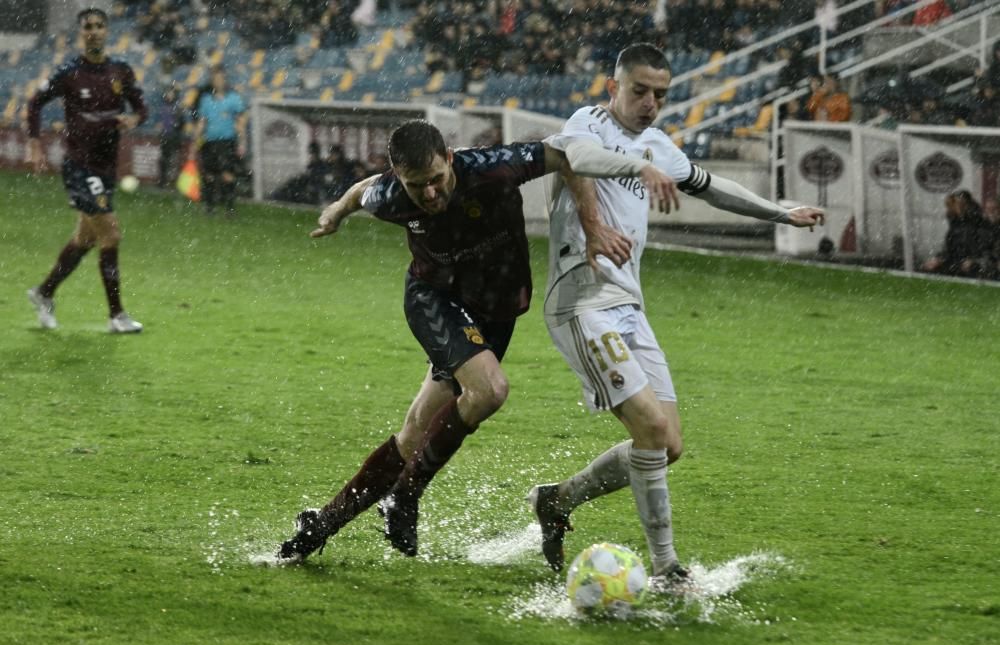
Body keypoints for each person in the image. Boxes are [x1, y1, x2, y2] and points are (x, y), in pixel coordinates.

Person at [274, 119, 678, 563]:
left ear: (450, 158)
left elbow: (569, 156)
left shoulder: (493, 168)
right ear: (399, 179)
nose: (429, 194)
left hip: (495, 313)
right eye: (415, 187)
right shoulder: (390, 195)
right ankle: (406, 496)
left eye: (436, 180)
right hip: (437, 301)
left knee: (415, 437)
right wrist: (336, 210)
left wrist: (592, 224)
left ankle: (320, 526)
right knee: (489, 390)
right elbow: (363, 189)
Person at [527, 43, 824, 583]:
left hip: (630, 308)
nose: (649, 103)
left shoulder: (658, 144)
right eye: (639, 90)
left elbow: (712, 188)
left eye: (660, 94)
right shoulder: (586, 124)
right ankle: (667, 568)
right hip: (582, 302)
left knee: (668, 445)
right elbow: (577, 161)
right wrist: (640, 166)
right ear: (611, 85)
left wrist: (780, 211)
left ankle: (558, 499)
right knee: (650, 426)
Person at [25, 7, 146, 334]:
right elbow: (35, 104)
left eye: (98, 26)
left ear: (107, 31)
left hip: (106, 168)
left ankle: (44, 293)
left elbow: (141, 108)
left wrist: (133, 119)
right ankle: (117, 315)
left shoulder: (120, 71)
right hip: (79, 166)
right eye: (87, 27)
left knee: (84, 238)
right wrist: (35, 146)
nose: (93, 31)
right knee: (111, 233)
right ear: (81, 34)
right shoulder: (70, 73)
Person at [189, 67, 247, 216]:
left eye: (221, 78)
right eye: (216, 79)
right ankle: (209, 208)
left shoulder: (233, 98)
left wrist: (242, 142)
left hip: (227, 142)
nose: (218, 81)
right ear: (212, 81)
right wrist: (195, 142)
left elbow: (240, 122)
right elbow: (202, 122)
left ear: (225, 80)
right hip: (210, 142)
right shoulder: (206, 100)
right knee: (208, 175)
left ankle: (230, 208)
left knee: (227, 174)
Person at [920, 190, 992, 278]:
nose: (953, 208)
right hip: (956, 262)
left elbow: (987, 253)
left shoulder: (980, 225)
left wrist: (974, 261)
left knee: (971, 269)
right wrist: (938, 259)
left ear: (967, 206)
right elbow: (948, 249)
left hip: (974, 265)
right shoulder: (955, 226)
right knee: (929, 268)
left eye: (959, 204)